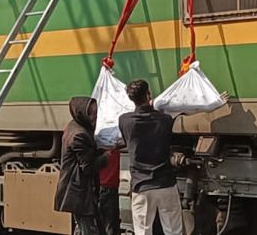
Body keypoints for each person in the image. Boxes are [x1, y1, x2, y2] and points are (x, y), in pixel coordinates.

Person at [119, 79, 184, 235]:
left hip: (141, 186)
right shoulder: (165, 119)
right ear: (149, 94)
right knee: (173, 230)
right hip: (165, 183)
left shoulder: (125, 121)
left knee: (143, 231)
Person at [55, 97, 107, 235]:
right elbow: (88, 167)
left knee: (82, 227)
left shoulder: (75, 126)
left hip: (77, 189)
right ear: (81, 113)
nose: (95, 116)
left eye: (96, 112)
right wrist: (106, 157)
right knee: (88, 229)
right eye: (91, 113)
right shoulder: (79, 135)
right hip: (79, 191)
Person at [98, 148, 121, 235]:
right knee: (111, 224)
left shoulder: (97, 152)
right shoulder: (114, 152)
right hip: (111, 188)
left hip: (98, 187)